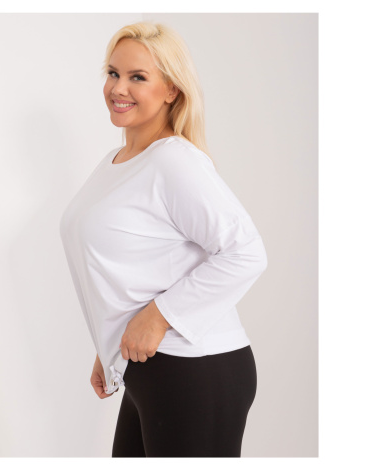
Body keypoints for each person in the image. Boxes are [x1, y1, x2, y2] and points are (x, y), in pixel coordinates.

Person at [59, 21, 268, 457]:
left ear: (171, 89)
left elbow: (246, 252)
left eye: (138, 77)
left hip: (195, 367)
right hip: (148, 367)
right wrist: (109, 342)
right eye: (113, 73)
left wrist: (157, 317)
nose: (119, 88)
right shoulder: (117, 160)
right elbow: (134, 265)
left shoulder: (175, 161)